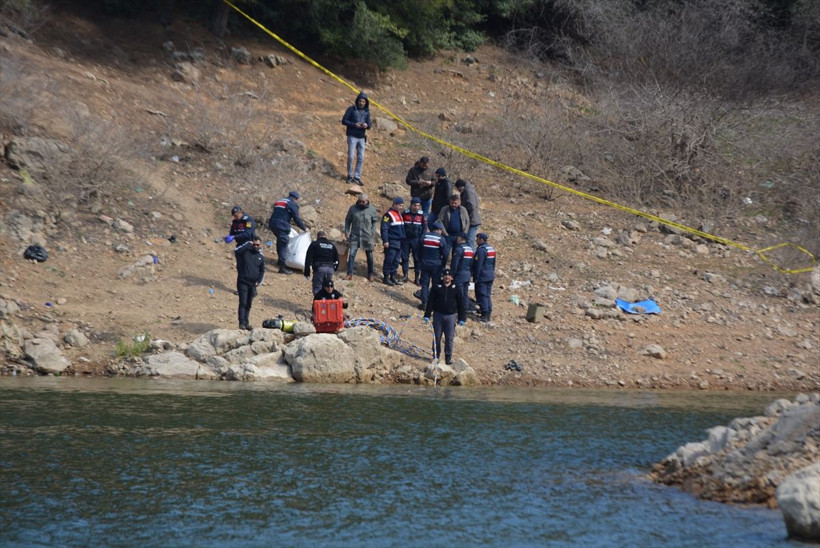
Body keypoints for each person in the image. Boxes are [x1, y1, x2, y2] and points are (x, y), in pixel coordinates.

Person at [424, 269, 466, 366]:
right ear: (443, 276)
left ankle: (448, 358)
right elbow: (430, 302)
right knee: (437, 337)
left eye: (449, 275)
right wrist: (427, 315)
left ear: (452, 277)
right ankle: (436, 356)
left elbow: (461, 304)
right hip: (438, 315)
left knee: (449, 338)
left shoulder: (456, 288)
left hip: (451, 317)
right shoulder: (436, 287)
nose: (447, 277)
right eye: (445, 275)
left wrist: (462, 318)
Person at [268, 190, 306, 274]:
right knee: (283, 244)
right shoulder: (292, 204)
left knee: (280, 241)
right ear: (295, 198)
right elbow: (296, 218)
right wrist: (304, 228)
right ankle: (282, 267)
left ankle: (279, 261)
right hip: (282, 225)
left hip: (273, 224)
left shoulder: (280, 201)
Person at [344, 193, 379, 281]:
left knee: (369, 256)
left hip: (367, 236)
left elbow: (375, 221)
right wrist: (347, 231)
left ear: (367, 201)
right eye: (359, 201)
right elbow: (348, 220)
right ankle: (349, 274)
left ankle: (370, 274)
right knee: (352, 255)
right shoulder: (353, 208)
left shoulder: (372, 209)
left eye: (363, 201)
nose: (361, 203)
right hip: (355, 236)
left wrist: (372, 231)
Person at [415, 221, 449, 310]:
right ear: (439, 230)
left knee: (425, 284)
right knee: (436, 284)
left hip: (425, 264)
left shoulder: (424, 236)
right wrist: (443, 265)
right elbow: (445, 254)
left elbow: (417, 250)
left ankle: (424, 303)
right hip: (436, 265)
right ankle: (435, 303)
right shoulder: (441, 239)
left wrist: (420, 260)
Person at [234, 236, 265, 330]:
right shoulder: (246, 252)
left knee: (248, 304)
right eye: (254, 244)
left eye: (258, 245)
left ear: (260, 245)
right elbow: (236, 251)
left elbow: (262, 271)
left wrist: (258, 281)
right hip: (243, 281)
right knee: (243, 302)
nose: (256, 246)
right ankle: (242, 323)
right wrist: (247, 244)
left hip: (253, 284)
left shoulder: (261, 257)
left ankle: (246, 322)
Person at [341, 91, 371, 186]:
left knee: (361, 158)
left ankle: (357, 177)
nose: (362, 103)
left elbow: (370, 124)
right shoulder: (351, 109)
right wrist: (354, 124)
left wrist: (366, 125)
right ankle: (350, 175)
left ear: (366, 102)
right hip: (352, 136)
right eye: (360, 101)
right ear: (357, 101)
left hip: (362, 137)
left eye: (363, 101)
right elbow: (344, 121)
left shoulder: (367, 112)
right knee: (350, 156)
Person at [380, 196, 406, 286]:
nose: (401, 207)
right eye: (399, 205)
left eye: (402, 205)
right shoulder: (388, 215)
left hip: (400, 242)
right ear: (394, 204)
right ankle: (386, 277)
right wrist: (385, 240)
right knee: (389, 259)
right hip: (392, 241)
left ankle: (392, 276)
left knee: (396, 260)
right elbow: (384, 229)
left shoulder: (399, 214)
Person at [304, 230, 339, 295]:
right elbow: (337, 259)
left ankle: (319, 304)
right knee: (328, 288)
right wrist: (334, 269)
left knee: (317, 288)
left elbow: (308, 258)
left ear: (318, 237)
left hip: (320, 268)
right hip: (330, 269)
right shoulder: (331, 245)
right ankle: (327, 304)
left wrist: (307, 272)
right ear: (326, 236)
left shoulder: (315, 244)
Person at [401, 197, 426, 284]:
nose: (416, 207)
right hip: (406, 239)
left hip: (417, 239)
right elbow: (401, 226)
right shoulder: (405, 213)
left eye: (418, 206)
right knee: (405, 257)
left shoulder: (422, 215)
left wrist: (422, 239)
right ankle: (405, 276)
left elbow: (424, 228)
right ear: (411, 205)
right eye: (415, 205)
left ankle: (417, 278)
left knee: (417, 258)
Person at [472, 232, 496, 322]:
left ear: (481, 240)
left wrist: (475, 277)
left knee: (481, 295)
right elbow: (494, 263)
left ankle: (484, 314)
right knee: (487, 295)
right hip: (490, 275)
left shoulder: (481, 250)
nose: (476, 240)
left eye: (477, 239)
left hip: (482, 276)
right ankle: (488, 312)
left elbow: (478, 265)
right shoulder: (491, 249)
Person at [454, 179, 482, 250]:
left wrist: (463, 212)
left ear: (460, 187)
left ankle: (472, 258)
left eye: (458, 189)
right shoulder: (468, 190)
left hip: (472, 220)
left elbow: (471, 206)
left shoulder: (468, 192)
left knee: (470, 240)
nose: (458, 191)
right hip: (471, 219)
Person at [450, 232, 474, 307]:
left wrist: (452, 274)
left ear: (460, 238)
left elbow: (455, 264)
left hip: (460, 274)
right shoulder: (470, 249)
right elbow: (472, 263)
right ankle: (465, 308)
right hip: (467, 274)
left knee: (459, 292)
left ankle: (460, 309)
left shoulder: (459, 249)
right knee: (465, 293)